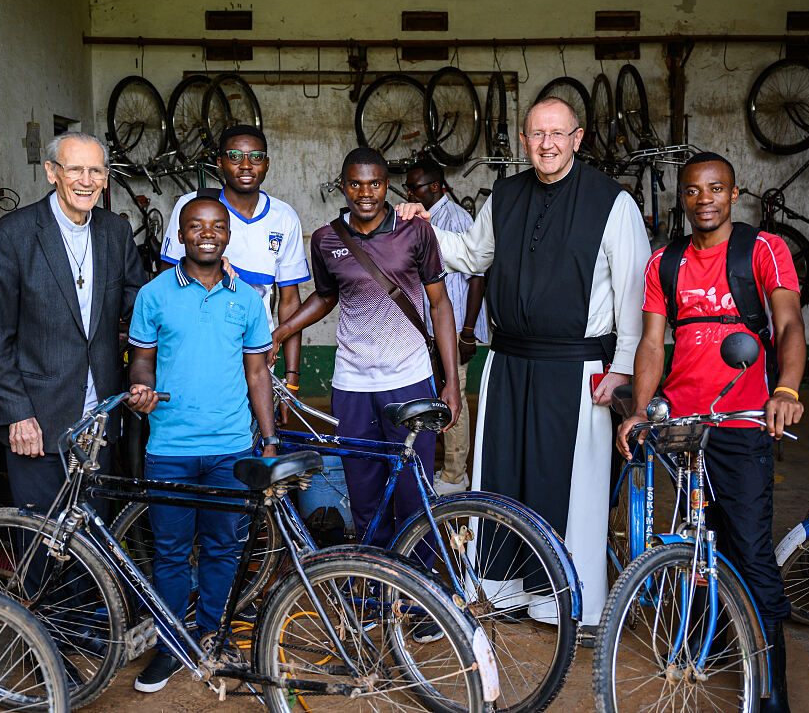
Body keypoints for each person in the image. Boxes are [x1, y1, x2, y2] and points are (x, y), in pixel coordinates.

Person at [395, 97, 650, 630]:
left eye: (558, 134)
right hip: (508, 363)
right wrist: (422, 226)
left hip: (577, 369)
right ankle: (506, 591)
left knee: (573, 486)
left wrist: (623, 366)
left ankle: (569, 602)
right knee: (504, 476)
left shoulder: (612, 202)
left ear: (578, 139)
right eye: (537, 134)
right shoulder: (505, 196)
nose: (547, 144)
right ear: (525, 138)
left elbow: (634, 289)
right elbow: (468, 253)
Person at [617, 152, 804, 713]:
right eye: (694, 191)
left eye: (716, 189)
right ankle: (721, 645)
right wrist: (641, 411)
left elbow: (789, 322)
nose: (705, 200)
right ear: (682, 197)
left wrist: (786, 390)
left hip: (743, 421)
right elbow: (653, 343)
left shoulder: (762, 249)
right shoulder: (664, 262)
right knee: (698, 542)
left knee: (749, 549)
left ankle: (771, 683)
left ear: (734, 193)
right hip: (684, 424)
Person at [268, 147, 461, 556]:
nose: (365, 192)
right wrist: (283, 330)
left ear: (386, 185)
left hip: (409, 380)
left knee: (414, 494)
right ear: (344, 186)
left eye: (374, 183)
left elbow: (441, 305)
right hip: (352, 385)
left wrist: (452, 383)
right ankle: (374, 594)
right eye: (356, 183)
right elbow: (324, 297)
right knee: (365, 496)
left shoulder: (415, 231)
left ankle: (417, 595)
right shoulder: (325, 239)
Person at [127, 195, 278, 692]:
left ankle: (210, 635)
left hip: (231, 448)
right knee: (169, 552)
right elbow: (142, 361)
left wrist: (269, 439)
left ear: (228, 234)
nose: (207, 233)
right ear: (181, 234)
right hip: (168, 446)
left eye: (216, 226)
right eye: (196, 226)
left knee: (222, 548)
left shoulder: (248, 299)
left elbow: (258, 374)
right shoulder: (153, 294)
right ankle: (172, 646)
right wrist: (141, 390)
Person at [0, 131, 145, 515]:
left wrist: (202, 275)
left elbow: (141, 305)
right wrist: (16, 412)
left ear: (106, 177)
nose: (87, 181)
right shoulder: (13, 235)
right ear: (52, 172)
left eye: (96, 171)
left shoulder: (115, 232)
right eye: (76, 170)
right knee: (42, 537)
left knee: (94, 543)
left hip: (99, 419)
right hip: (37, 421)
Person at [161, 125, 310, 408]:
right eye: (234, 156)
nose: (245, 165)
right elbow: (167, 285)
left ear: (266, 164)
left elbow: (289, 301)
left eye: (255, 157)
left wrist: (290, 379)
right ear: (219, 162)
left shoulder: (283, 217)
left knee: (255, 439)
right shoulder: (193, 206)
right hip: (195, 354)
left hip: (257, 357)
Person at [402, 158, 488, 495]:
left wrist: (467, 332)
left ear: (436, 187)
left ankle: (454, 475)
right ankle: (434, 467)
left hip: (452, 330)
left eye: (416, 186)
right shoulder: (418, 220)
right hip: (427, 328)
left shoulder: (456, 219)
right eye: (408, 187)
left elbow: (478, 278)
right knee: (431, 396)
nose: (410, 192)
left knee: (454, 398)